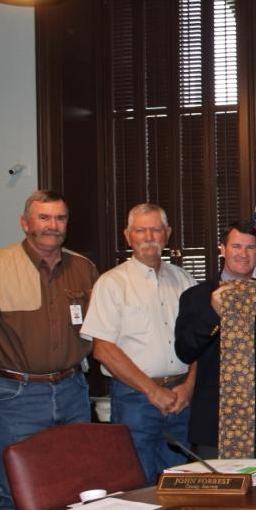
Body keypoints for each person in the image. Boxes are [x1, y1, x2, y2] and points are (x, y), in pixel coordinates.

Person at [0, 190, 98, 510]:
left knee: (75, 486)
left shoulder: (84, 269)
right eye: (44, 217)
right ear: (25, 223)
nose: (52, 226)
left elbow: (101, 330)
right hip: (17, 397)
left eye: (60, 218)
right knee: (14, 489)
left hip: (73, 392)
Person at [81, 203, 197, 483]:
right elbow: (103, 350)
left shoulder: (184, 280)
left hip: (181, 399)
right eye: (140, 230)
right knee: (137, 484)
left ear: (167, 233)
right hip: (136, 400)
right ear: (127, 236)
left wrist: (189, 388)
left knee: (181, 484)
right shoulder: (112, 284)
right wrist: (152, 391)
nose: (149, 237)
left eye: (156, 229)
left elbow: (200, 341)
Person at [174, 221, 256, 458]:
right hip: (215, 420)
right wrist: (214, 314)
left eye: (250, 248)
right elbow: (185, 351)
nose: (243, 254)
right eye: (236, 246)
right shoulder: (196, 296)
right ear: (222, 249)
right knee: (218, 492)